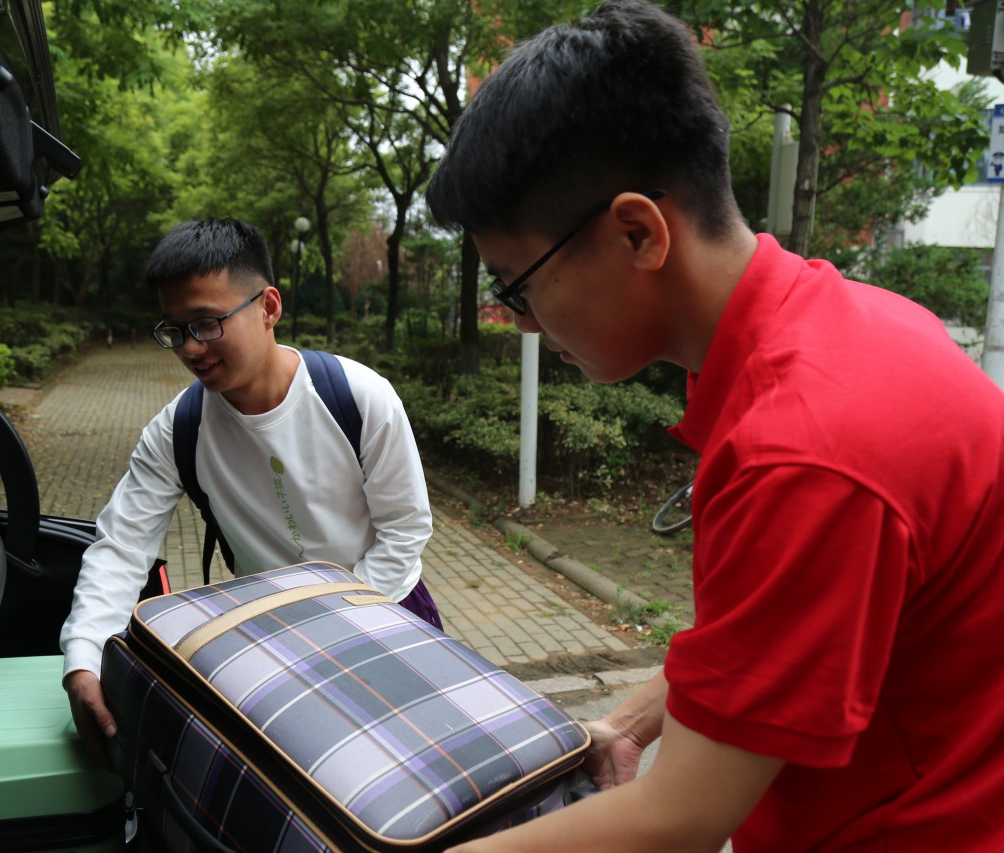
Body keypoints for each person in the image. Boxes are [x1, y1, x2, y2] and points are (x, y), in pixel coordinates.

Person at [425, 1, 1004, 850]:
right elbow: (772, 641)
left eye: (517, 286)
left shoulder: (802, 449)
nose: (520, 322)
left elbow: (678, 818)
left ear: (637, 232)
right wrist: (628, 720)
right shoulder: (846, 322)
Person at [60, 217, 439, 763]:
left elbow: (404, 529)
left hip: (387, 611)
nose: (191, 348)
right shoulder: (178, 430)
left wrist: (336, 621)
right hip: (272, 637)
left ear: (268, 307)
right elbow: (121, 546)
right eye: (175, 330)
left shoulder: (358, 397)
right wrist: (84, 654)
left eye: (206, 323)